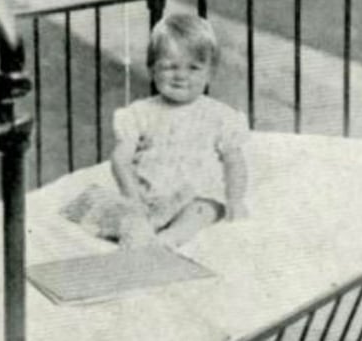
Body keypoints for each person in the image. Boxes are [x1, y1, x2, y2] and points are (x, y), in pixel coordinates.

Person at [61, 13, 249, 249]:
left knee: (206, 207)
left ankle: (170, 238)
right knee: (118, 210)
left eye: (194, 67)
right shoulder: (140, 113)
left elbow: (234, 162)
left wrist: (235, 199)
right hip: (148, 195)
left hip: (192, 195)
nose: (181, 76)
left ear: (209, 73)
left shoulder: (220, 116)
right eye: (170, 67)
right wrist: (133, 198)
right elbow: (121, 159)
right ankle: (138, 230)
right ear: (152, 69)